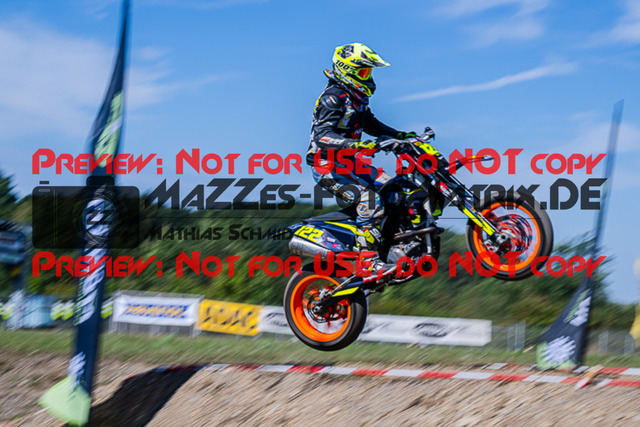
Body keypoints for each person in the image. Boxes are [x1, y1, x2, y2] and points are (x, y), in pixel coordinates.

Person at [306, 42, 416, 274]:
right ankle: (367, 260)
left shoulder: (355, 97)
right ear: (347, 69)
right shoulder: (333, 98)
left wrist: (399, 135)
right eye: (363, 71)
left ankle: (392, 245)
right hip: (326, 165)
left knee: (393, 188)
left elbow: (370, 123)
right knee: (370, 198)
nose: (368, 76)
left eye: (368, 71)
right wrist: (356, 144)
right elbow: (321, 136)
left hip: (349, 163)